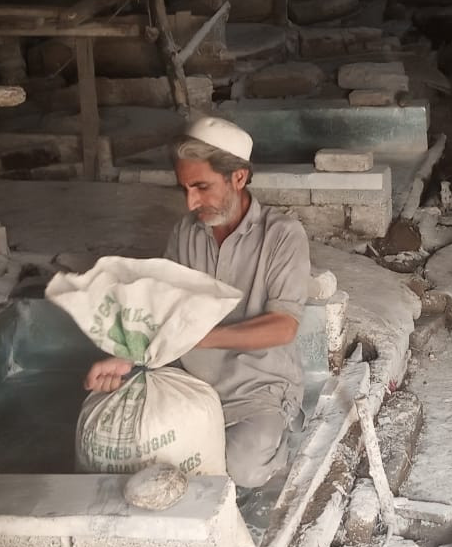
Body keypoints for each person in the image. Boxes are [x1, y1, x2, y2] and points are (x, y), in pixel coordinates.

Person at [83, 117, 310, 489]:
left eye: (201, 187)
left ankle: (281, 440)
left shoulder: (283, 235)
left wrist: (196, 336)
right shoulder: (185, 232)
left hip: (258, 390)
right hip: (191, 384)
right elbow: (164, 311)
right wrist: (127, 357)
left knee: (242, 470)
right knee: (126, 447)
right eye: (185, 188)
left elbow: (284, 326)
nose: (191, 202)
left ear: (238, 177)